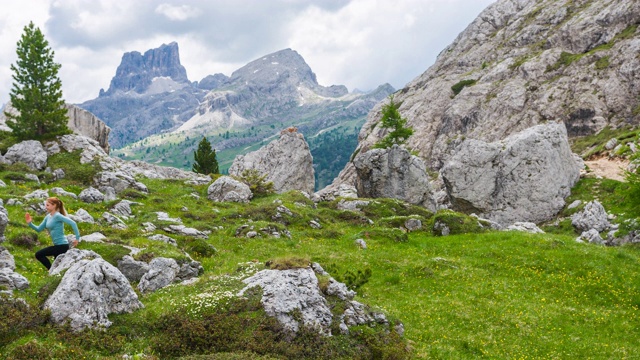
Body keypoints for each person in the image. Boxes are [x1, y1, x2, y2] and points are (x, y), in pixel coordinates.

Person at [26, 197, 81, 270]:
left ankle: (50, 270)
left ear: (54, 205)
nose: (46, 207)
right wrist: (30, 223)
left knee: (38, 254)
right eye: (46, 205)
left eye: (48, 205)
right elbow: (39, 229)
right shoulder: (48, 217)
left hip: (62, 246)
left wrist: (77, 238)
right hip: (57, 245)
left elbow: (73, 223)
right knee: (57, 269)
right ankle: (52, 272)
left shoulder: (58, 216)